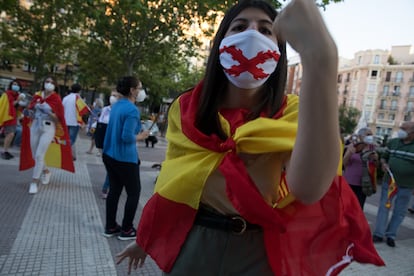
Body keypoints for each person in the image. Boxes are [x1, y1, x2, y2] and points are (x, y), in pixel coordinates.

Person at [115, 1, 384, 275]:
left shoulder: (293, 114)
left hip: (257, 251)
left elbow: (309, 188)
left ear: (278, 50)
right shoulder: (186, 109)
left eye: (266, 30)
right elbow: (174, 181)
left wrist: (321, 60)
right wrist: (145, 238)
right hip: (194, 242)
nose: (252, 34)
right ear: (220, 42)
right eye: (240, 26)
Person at [102, 76, 149, 241]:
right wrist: (141, 136)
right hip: (124, 158)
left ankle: (110, 226)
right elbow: (127, 137)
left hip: (109, 154)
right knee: (134, 192)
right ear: (132, 90)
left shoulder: (116, 106)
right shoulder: (131, 110)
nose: (141, 91)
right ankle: (127, 229)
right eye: (140, 87)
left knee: (114, 191)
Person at [19, 76, 74, 194]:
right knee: (35, 155)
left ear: (55, 85)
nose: (48, 84)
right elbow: (31, 113)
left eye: (51, 82)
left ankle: (34, 182)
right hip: (35, 126)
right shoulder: (37, 96)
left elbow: (59, 118)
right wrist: (27, 110)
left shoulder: (56, 99)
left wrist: (48, 111)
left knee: (39, 155)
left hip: (48, 128)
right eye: (47, 82)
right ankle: (46, 171)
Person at [373, 121, 414, 247]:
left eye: (404, 129)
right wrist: (383, 163)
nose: (400, 130)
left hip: (407, 185)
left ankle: (391, 235)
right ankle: (378, 234)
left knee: (400, 211)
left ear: (412, 132)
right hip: (389, 183)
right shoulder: (393, 142)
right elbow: (384, 156)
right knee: (384, 207)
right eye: (401, 128)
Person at [343, 127, 379, 209]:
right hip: (349, 181)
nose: (370, 136)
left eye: (371, 135)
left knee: (358, 207)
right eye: (368, 134)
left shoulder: (372, 148)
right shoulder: (354, 146)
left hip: (364, 183)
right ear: (361, 136)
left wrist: (376, 159)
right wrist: (349, 153)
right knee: (345, 205)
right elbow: (344, 164)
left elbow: (376, 166)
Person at [95, 90, 121, 199]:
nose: (113, 97)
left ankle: (106, 187)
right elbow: (100, 124)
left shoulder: (120, 110)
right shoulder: (105, 109)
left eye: (115, 95)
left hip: (114, 141)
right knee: (109, 166)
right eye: (112, 95)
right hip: (103, 140)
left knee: (111, 166)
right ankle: (111, 183)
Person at [62, 83, 89, 160]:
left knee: (66, 138)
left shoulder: (66, 98)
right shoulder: (79, 99)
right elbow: (83, 111)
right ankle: (66, 154)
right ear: (79, 90)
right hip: (74, 122)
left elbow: (62, 108)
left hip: (65, 121)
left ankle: (66, 153)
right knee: (71, 140)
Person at [0, 80, 24, 159]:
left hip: (13, 117)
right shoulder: (8, 94)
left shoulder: (17, 95)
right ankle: (5, 151)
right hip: (7, 116)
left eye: (17, 84)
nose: (15, 85)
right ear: (11, 85)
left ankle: (6, 151)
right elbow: (11, 104)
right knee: (10, 134)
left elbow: (18, 106)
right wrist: (18, 100)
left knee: (10, 134)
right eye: (14, 84)